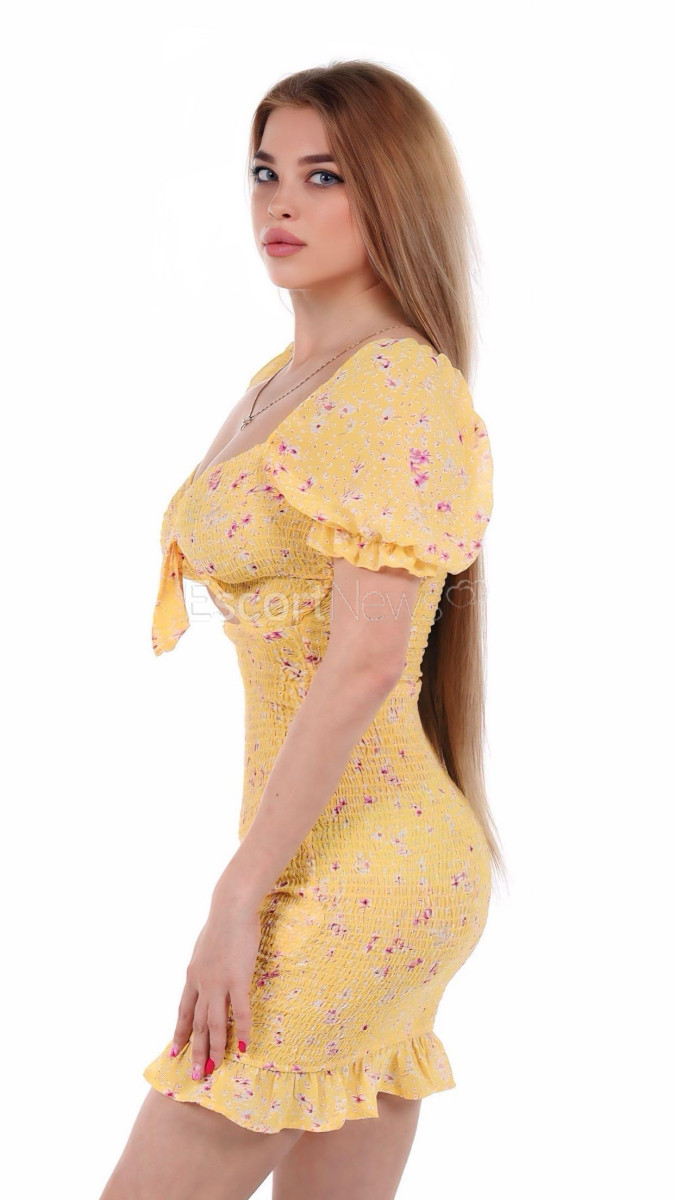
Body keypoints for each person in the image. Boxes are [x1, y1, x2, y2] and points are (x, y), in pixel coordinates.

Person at [100, 59, 504, 1200]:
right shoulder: (290, 376)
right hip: (349, 858)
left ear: (392, 192)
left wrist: (238, 899)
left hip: (358, 873)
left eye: (324, 176)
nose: (280, 202)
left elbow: (367, 661)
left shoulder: (393, 388)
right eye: (265, 171)